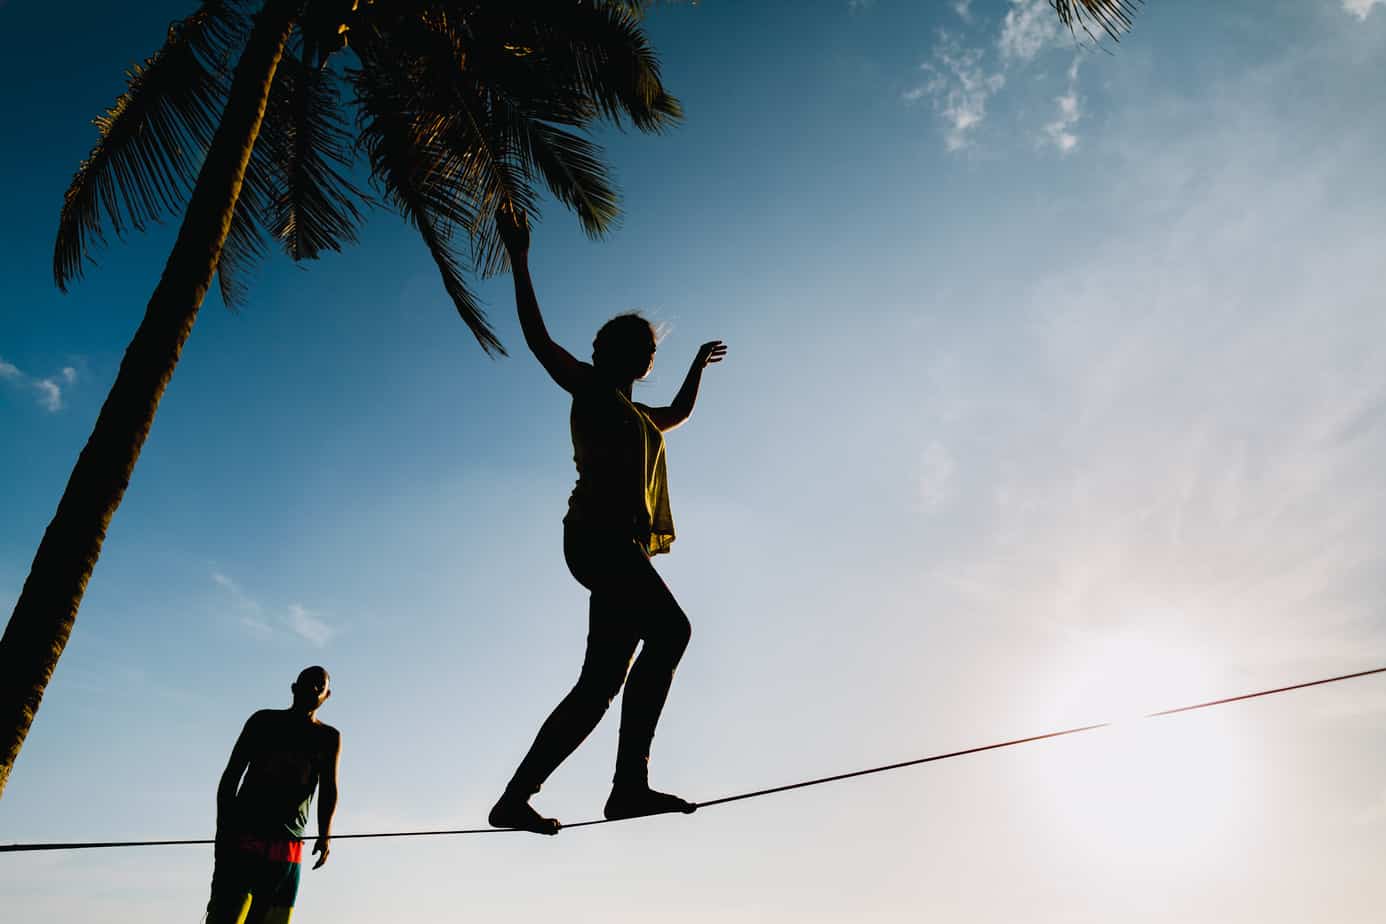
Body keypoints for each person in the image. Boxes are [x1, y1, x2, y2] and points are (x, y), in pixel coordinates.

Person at [487, 209, 727, 835]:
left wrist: (697, 367)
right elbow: (538, 340)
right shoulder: (590, 388)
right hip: (597, 539)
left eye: (655, 350)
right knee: (672, 630)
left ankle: (514, 798)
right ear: (613, 351)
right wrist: (520, 260)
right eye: (646, 346)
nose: (653, 353)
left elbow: (676, 411)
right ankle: (628, 786)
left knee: (598, 689)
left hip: (619, 550)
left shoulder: (638, 413)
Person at [206, 666, 342, 924]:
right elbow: (231, 775)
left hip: (287, 846)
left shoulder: (328, 738)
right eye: (307, 683)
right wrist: (223, 827)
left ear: (327, 696)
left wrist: (325, 835)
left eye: (319, 686)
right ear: (293, 688)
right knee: (227, 914)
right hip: (244, 835)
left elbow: (328, 790)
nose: (313, 689)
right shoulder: (263, 722)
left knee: (272, 918)